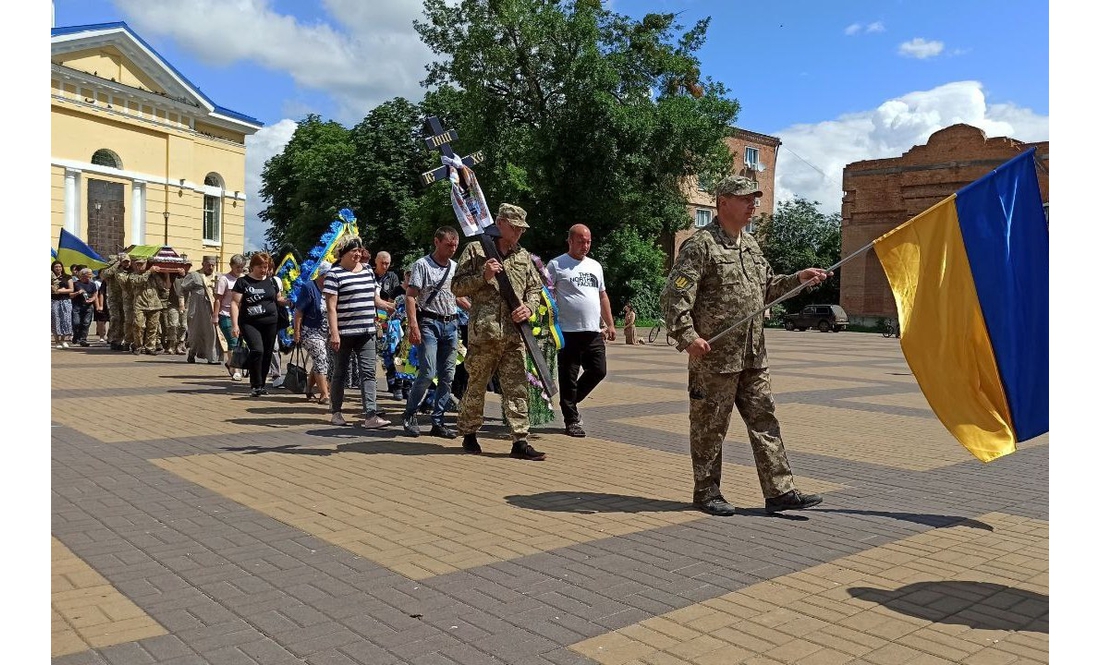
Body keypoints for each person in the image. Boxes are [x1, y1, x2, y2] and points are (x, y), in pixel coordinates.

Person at [661, 175, 831, 517]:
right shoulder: (701, 246)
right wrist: (687, 336)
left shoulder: (751, 247)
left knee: (765, 421)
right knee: (710, 427)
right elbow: (673, 297)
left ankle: (780, 491)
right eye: (745, 199)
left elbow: (768, 289)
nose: (753, 204)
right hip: (715, 359)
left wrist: (798, 279)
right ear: (723, 202)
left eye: (755, 198)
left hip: (753, 355)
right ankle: (706, 491)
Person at [452, 203, 547, 460]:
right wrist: (483, 276)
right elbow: (457, 287)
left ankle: (520, 440)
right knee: (476, 386)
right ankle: (469, 434)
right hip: (485, 334)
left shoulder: (523, 256)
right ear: (500, 223)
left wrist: (529, 308)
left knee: (517, 388)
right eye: (514, 227)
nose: (518, 233)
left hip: (514, 336)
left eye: (521, 229)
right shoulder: (477, 250)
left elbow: (535, 289)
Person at [547, 224, 617, 437]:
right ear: (570, 241)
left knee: (599, 370)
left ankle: (571, 401)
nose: (585, 246)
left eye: (588, 242)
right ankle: (571, 421)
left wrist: (610, 323)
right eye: (580, 242)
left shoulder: (595, 266)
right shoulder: (556, 265)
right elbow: (545, 295)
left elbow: (602, 295)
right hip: (567, 331)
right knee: (568, 376)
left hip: (592, 330)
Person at [401, 226, 464, 439]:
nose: (453, 249)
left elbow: (458, 296)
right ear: (436, 242)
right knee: (428, 373)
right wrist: (413, 326)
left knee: (448, 376)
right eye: (448, 245)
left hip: (451, 325)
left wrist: (476, 311)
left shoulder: (455, 267)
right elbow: (411, 296)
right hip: (429, 323)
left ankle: (438, 421)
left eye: (455, 245)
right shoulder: (422, 265)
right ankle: (409, 414)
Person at [324, 236, 388, 428]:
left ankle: (370, 415)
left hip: (367, 331)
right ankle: (336, 412)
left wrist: (389, 306)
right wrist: (334, 333)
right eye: (354, 251)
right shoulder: (334, 275)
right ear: (343, 254)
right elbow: (331, 308)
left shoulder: (368, 270)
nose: (358, 254)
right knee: (340, 373)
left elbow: (373, 298)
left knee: (368, 373)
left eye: (359, 251)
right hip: (344, 333)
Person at [231, 252, 287, 397]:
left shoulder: (272, 281)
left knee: (268, 353)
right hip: (250, 323)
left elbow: (278, 298)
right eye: (261, 267)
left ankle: (260, 385)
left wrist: (289, 301)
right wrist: (235, 325)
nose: (264, 270)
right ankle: (255, 383)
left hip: (270, 322)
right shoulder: (243, 282)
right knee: (258, 350)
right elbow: (235, 304)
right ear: (253, 267)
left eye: (266, 267)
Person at [293, 261, 332, 406]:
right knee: (321, 358)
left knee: (320, 360)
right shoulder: (309, 287)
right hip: (310, 332)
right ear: (322, 275)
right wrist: (297, 332)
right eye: (329, 277)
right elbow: (299, 312)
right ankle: (324, 394)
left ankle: (309, 388)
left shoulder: (331, 289)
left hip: (327, 332)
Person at [176, 255, 221, 364]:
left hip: (211, 310)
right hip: (197, 310)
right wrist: (182, 304)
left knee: (212, 333)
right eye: (208, 265)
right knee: (195, 333)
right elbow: (182, 289)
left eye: (213, 265)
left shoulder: (218, 277)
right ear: (203, 264)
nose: (210, 267)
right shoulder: (194, 275)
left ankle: (212, 357)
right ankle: (192, 353)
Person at [373, 251, 405, 398]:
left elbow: (395, 300)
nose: (385, 266)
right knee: (378, 353)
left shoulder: (392, 277)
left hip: (389, 319)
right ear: (376, 262)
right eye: (382, 263)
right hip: (372, 317)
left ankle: (394, 382)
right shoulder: (370, 275)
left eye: (387, 263)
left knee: (392, 350)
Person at [129, 258, 172, 355]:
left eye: (141, 264)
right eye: (137, 264)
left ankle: (150, 347)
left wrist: (165, 274)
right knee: (138, 326)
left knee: (152, 327)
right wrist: (149, 271)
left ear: (146, 264)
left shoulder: (154, 276)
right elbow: (139, 281)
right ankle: (138, 346)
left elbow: (163, 286)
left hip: (154, 305)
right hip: (140, 304)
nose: (139, 266)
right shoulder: (133, 275)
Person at [216, 254, 246, 380]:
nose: (239, 270)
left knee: (240, 342)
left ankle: (230, 363)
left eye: (242, 267)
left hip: (241, 315)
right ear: (231, 266)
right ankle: (236, 369)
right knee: (232, 341)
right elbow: (218, 299)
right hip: (226, 314)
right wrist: (215, 316)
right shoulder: (224, 279)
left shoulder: (244, 279)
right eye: (237, 267)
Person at [101, 253, 130, 350]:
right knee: (115, 318)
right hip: (114, 298)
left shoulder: (128, 270)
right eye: (124, 261)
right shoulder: (113, 269)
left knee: (123, 320)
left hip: (125, 299)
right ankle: (112, 338)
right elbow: (105, 275)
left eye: (127, 261)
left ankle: (118, 341)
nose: (126, 263)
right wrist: (117, 264)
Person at [70, 268, 99, 347]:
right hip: (77, 306)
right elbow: (70, 295)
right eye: (88, 275)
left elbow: (95, 294)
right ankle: (76, 336)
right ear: (82, 276)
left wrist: (92, 299)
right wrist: (77, 292)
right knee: (76, 322)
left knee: (86, 323)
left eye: (90, 275)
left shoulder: (92, 284)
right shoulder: (76, 284)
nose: (89, 277)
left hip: (88, 306)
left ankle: (83, 339)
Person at [51, 261, 74, 349]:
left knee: (65, 319)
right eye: (56, 267)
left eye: (59, 266)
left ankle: (63, 340)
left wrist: (59, 290)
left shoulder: (67, 276)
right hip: (53, 300)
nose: (58, 268)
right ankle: (57, 341)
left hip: (65, 301)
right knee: (55, 320)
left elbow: (71, 289)